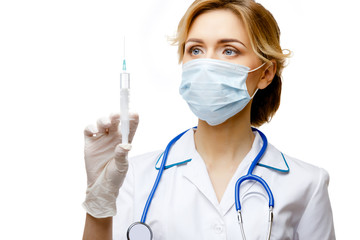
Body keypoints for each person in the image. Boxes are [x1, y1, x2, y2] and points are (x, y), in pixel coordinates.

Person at [82, 0, 335, 239]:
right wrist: (98, 204)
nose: (206, 64)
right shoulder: (134, 176)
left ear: (266, 73)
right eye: (195, 50)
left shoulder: (306, 184)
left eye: (229, 50)